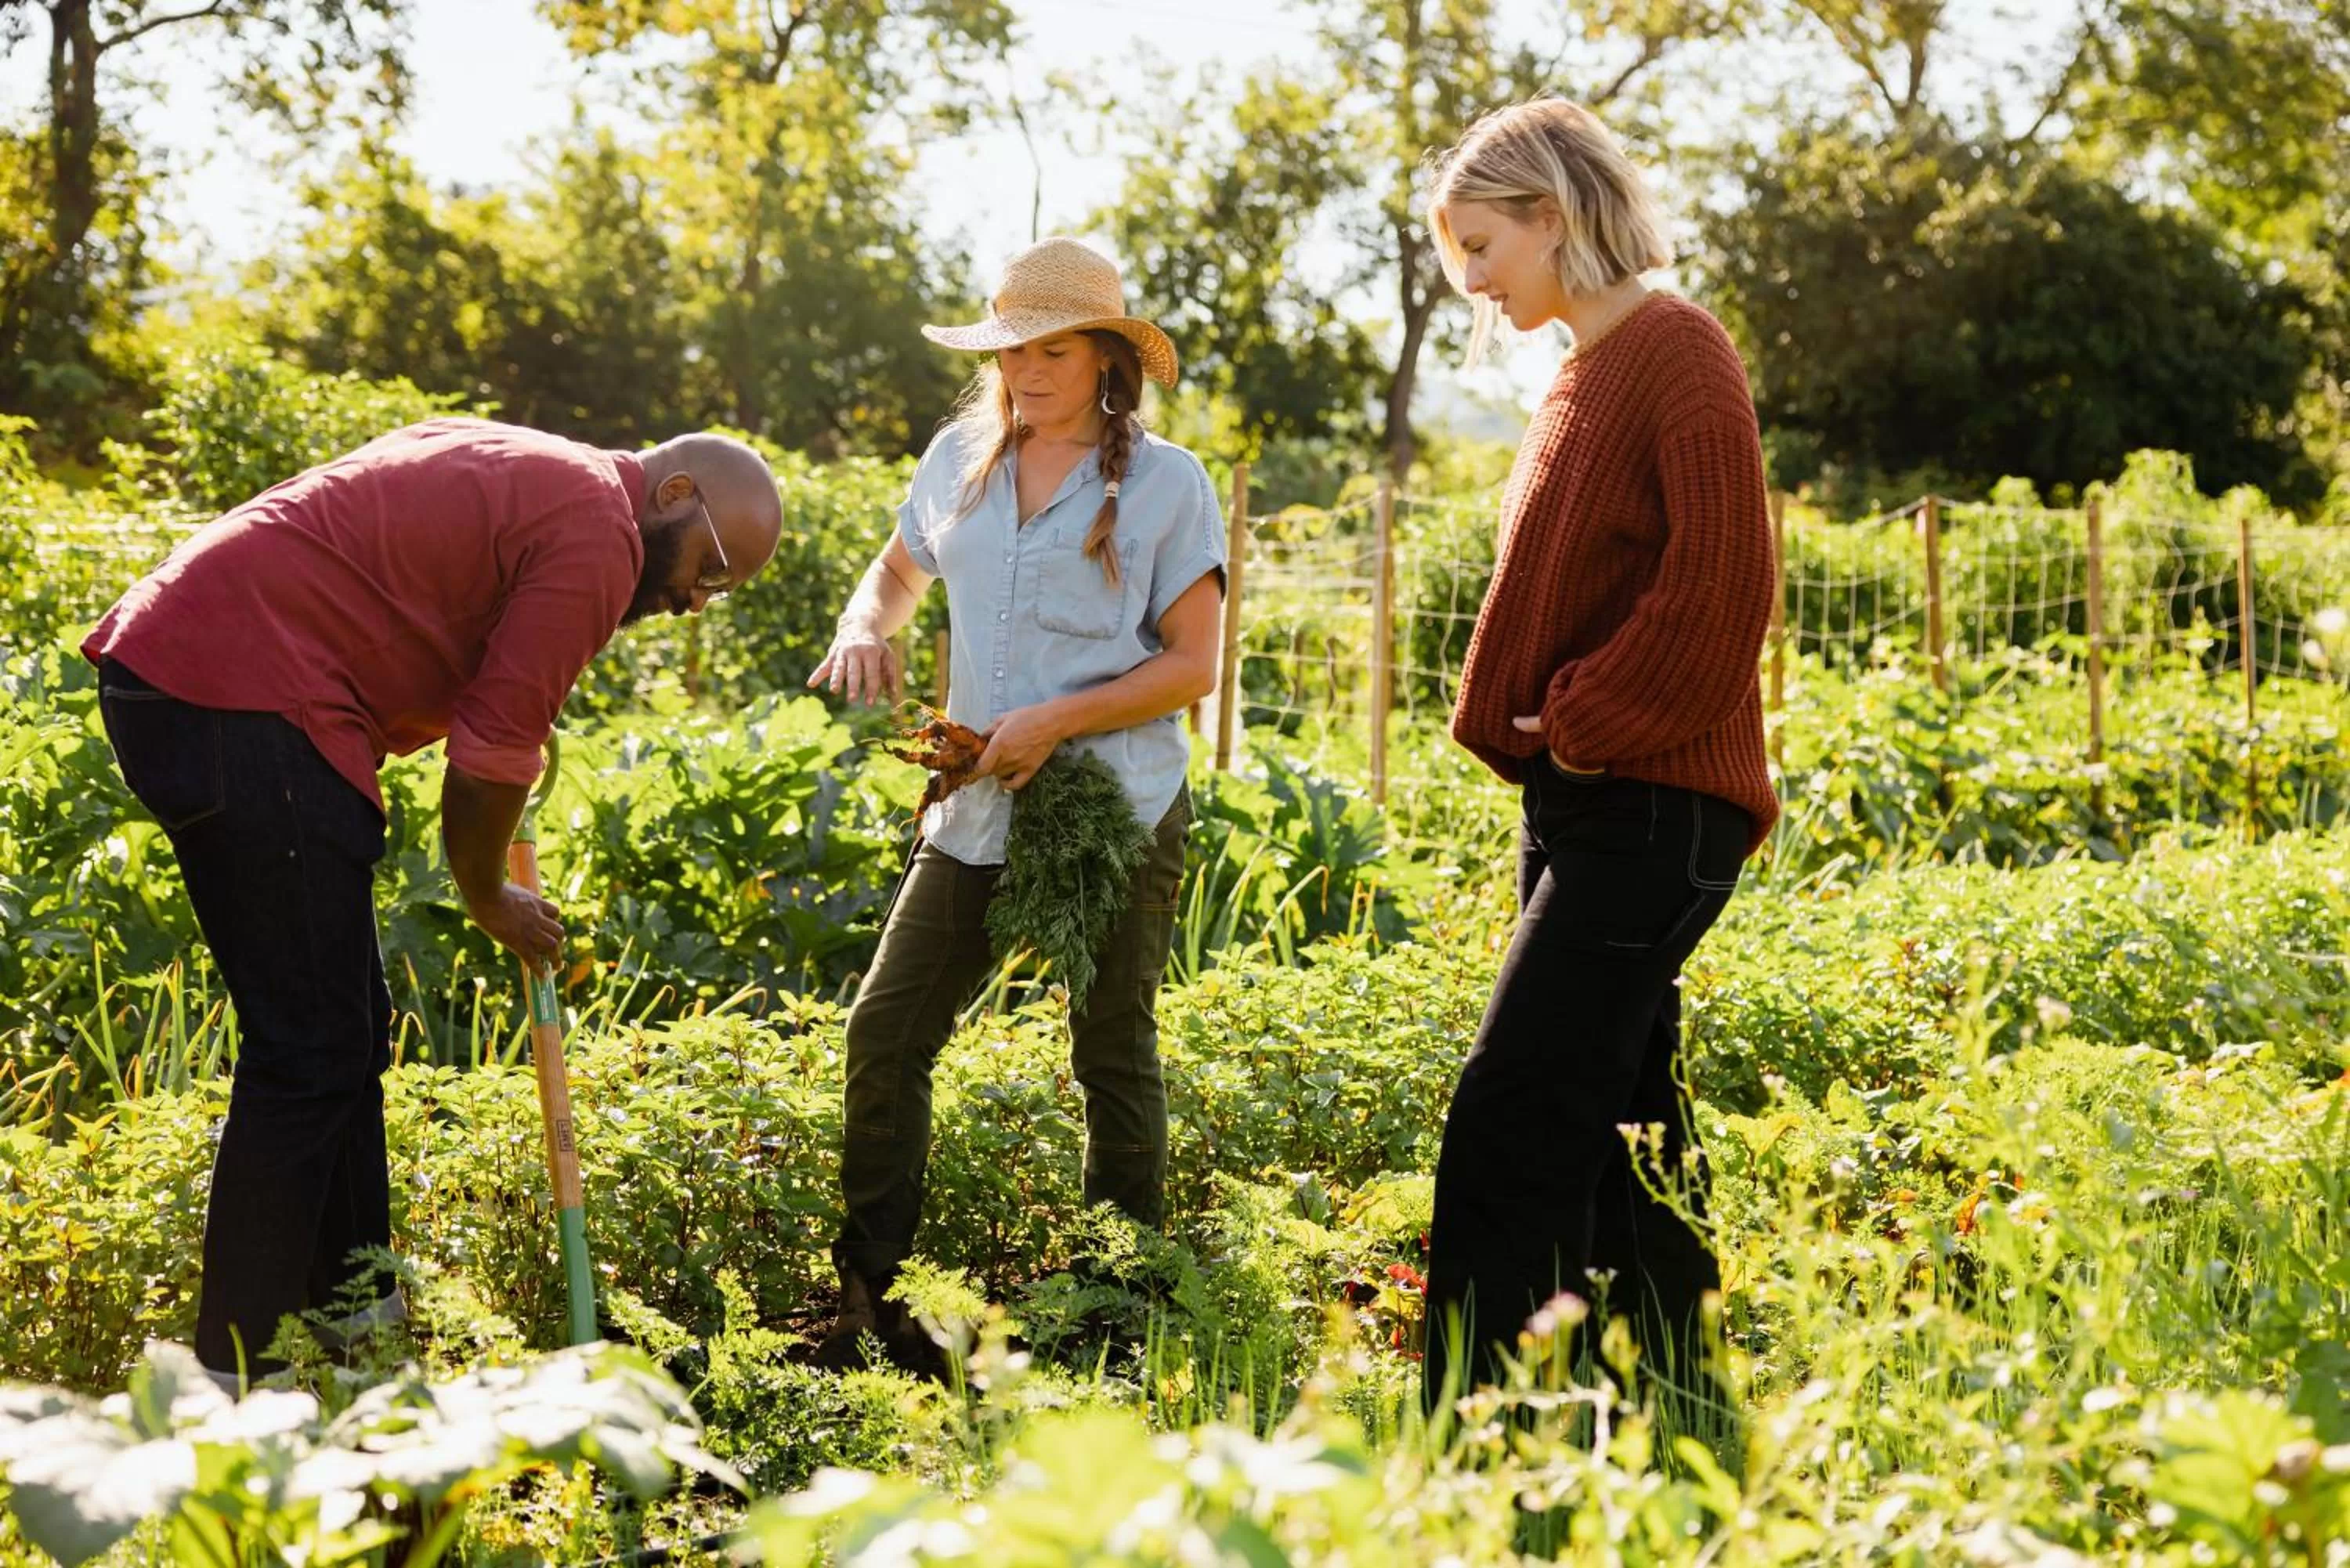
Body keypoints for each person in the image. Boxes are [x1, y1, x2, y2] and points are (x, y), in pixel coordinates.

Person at [81, 417, 784, 1391]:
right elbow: (494, 753)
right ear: (672, 496)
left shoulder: (541, 472)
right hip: (245, 694)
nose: (696, 603)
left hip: (199, 679)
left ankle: (360, 1327)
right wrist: (486, 893)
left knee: (345, 1034)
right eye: (710, 569)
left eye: (720, 591)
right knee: (308, 1051)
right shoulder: (599, 530)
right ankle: (227, 1392)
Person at [804, 237, 1226, 1371]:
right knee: (886, 1031)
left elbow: (1193, 666)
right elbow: (896, 574)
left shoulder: (1166, 484)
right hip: (975, 803)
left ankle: (1124, 1304)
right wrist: (862, 628)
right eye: (1011, 351)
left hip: (1112, 806)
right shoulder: (959, 460)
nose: (1029, 372)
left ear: (1105, 358)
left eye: (1054, 349)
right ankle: (872, 1305)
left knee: (1110, 1046)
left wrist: (1052, 721)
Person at [1418, 99, 1779, 1412]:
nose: (1469, 279)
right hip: (1589, 801)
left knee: (1512, 1110)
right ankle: (1673, 1398)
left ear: (1552, 217)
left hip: (1654, 803)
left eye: (1479, 244)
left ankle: (1473, 1429)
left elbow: (1723, 586)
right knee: (1630, 1127)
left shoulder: (1677, 349)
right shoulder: (1577, 367)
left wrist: (1575, 716)